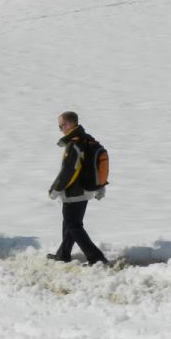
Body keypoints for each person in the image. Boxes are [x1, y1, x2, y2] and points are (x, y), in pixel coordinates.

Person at [47, 111, 109, 266]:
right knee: (70, 223)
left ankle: (96, 258)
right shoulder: (87, 139)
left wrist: (55, 189)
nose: (60, 129)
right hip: (86, 190)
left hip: (74, 191)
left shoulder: (74, 143)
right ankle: (63, 254)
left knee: (74, 226)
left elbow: (70, 170)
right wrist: (100, 185)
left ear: (69, 124)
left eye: (61, 126)